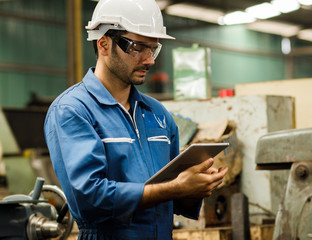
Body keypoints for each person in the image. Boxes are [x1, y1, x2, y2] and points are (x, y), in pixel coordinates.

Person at [44, 0, 228, 239]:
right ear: (104, 44)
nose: (150, 60)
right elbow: (89, 198)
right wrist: (176, 187)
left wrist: (195, 187)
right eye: (138, 48)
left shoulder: (158, 115)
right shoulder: (73, 110)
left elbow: (174, 199)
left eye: (153, 49)